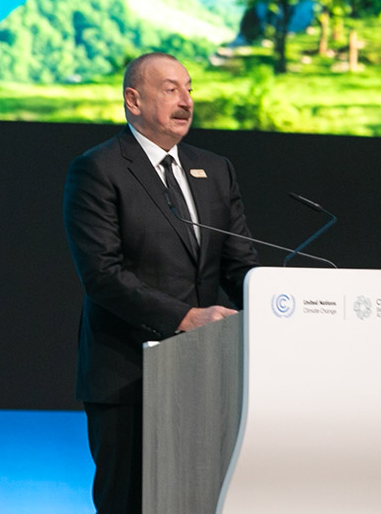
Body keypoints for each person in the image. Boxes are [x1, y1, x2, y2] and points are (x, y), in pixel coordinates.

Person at [62, 52, 259, 513]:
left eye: (189, 88)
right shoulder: (99, 169)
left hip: (205, 375)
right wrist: (186, 318)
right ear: (133, 99)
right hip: (128, 374)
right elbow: (102, 275)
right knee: (128, 503)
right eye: (171, 89)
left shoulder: (215, 169)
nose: (186, 100)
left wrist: (275, 300)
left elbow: (238, 263)